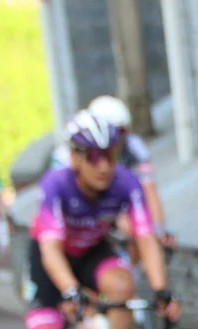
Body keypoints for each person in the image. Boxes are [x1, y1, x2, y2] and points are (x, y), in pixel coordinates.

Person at [23, 110, 180, 329]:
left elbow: (146, 237)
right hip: (52, 259)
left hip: (92, 252)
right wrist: (69, 290)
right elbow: (50, 249)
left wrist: (161, 290)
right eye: (93, 157)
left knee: (122, 287)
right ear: (76, 158)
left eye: (110, 155)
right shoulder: (56, 185)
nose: (104, 166)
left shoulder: (126, 183)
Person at [50, 95, 175, 250]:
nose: (121, 139)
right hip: (80, 211)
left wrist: (159, 229)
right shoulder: (64, 157)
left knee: (134, 227)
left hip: (112, 202)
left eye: (124, 132)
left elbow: (149, 189)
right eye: (117, 132)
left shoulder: (134, 146)